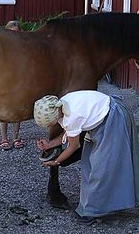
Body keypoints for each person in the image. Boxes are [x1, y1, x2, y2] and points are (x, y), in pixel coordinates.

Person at [33, 91, 139, 224]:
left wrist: (56, 161)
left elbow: (74, 146)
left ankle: (94, 210)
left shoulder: (71, 115)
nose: (49, 127)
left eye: (49, 124)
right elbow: (69, 132)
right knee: (88, 165)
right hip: (100, 121)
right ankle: (92, 203)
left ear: (55, 115)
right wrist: (50, 144)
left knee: (101, 167)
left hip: (112, 119)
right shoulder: (60, 105)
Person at [0, 20, 24, 151]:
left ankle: (15, 137)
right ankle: (3, 138)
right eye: (11, 32)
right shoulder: (3, 47)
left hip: (19, 80)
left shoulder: (23, 48)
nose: (14, 35)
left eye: (17, 33)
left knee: (18, 110)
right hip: (6, 80)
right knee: (4, 109)